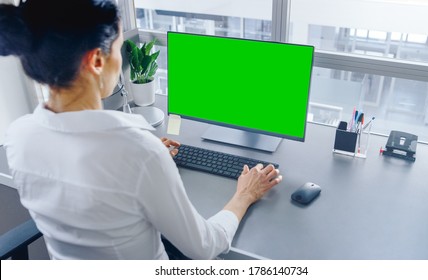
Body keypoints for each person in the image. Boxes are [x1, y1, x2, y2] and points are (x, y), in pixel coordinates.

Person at [0, 0, 282, 260]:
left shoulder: (19, 136)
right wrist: (245, 194)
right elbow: (205, 247)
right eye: (120, 48)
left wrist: (143, 159)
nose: (121, 61)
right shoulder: (138, 152)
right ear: (97, 61)